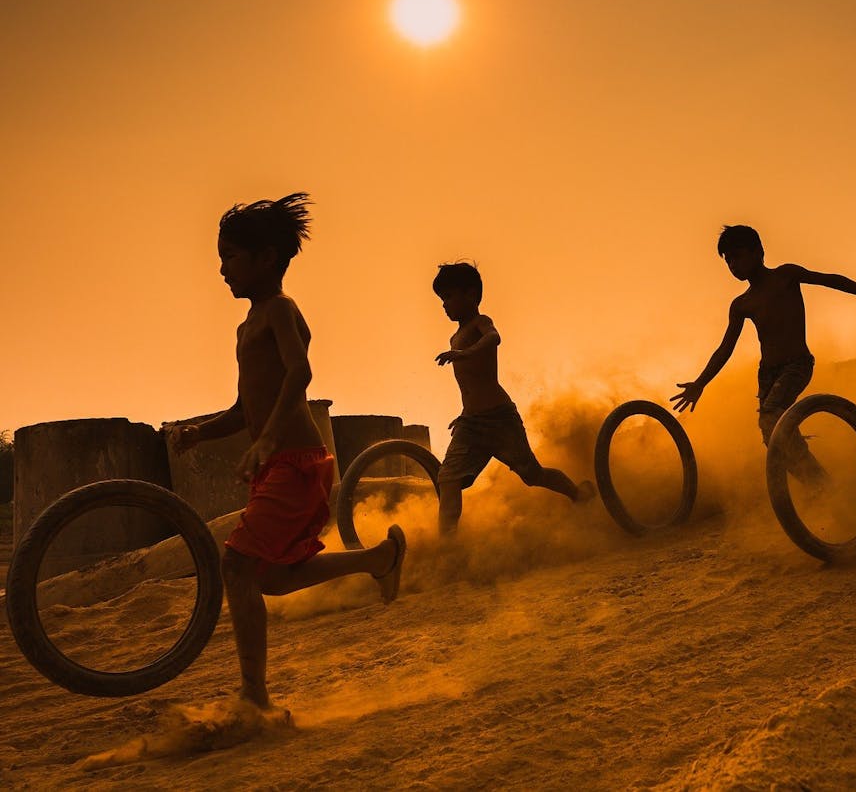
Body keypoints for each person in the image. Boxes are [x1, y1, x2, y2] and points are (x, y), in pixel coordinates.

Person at [169, 193, 405, 711]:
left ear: (267, 258)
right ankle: (378, 559)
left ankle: (255, 699)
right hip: (280, 460)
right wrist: (200, 433)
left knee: (236, 566)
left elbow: (300, 373)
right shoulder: (245, 327)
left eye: (230, 256)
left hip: (297, 463)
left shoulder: (281, 310)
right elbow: (243, 408)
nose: (222, 269)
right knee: (268, 577)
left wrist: (271, 438)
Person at [670, 225, 856, 479]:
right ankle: (816, 483)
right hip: (767, 374)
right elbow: (725, 348)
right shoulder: (741, 304)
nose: (733, 265)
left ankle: (817, 482)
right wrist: (700, 383)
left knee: (772, 419)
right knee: (772, 434)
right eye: (728, 261)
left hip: (797, 365)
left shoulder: (785, 276)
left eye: (737, 256)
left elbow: (831, 280)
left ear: (758, 252)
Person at [432, 262, 592, 535]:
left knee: (532, 475)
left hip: (499, 419)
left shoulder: (480, 324)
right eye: (442, 299)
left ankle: (579, 494)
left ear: (470, 295)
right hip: (470, 423)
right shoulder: (454, 337)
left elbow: (494, 338)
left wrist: (466, 353)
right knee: (447, 479)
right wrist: (463, 414)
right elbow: (470, 385)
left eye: (449, 296)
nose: (444, 305)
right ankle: (446, 548)